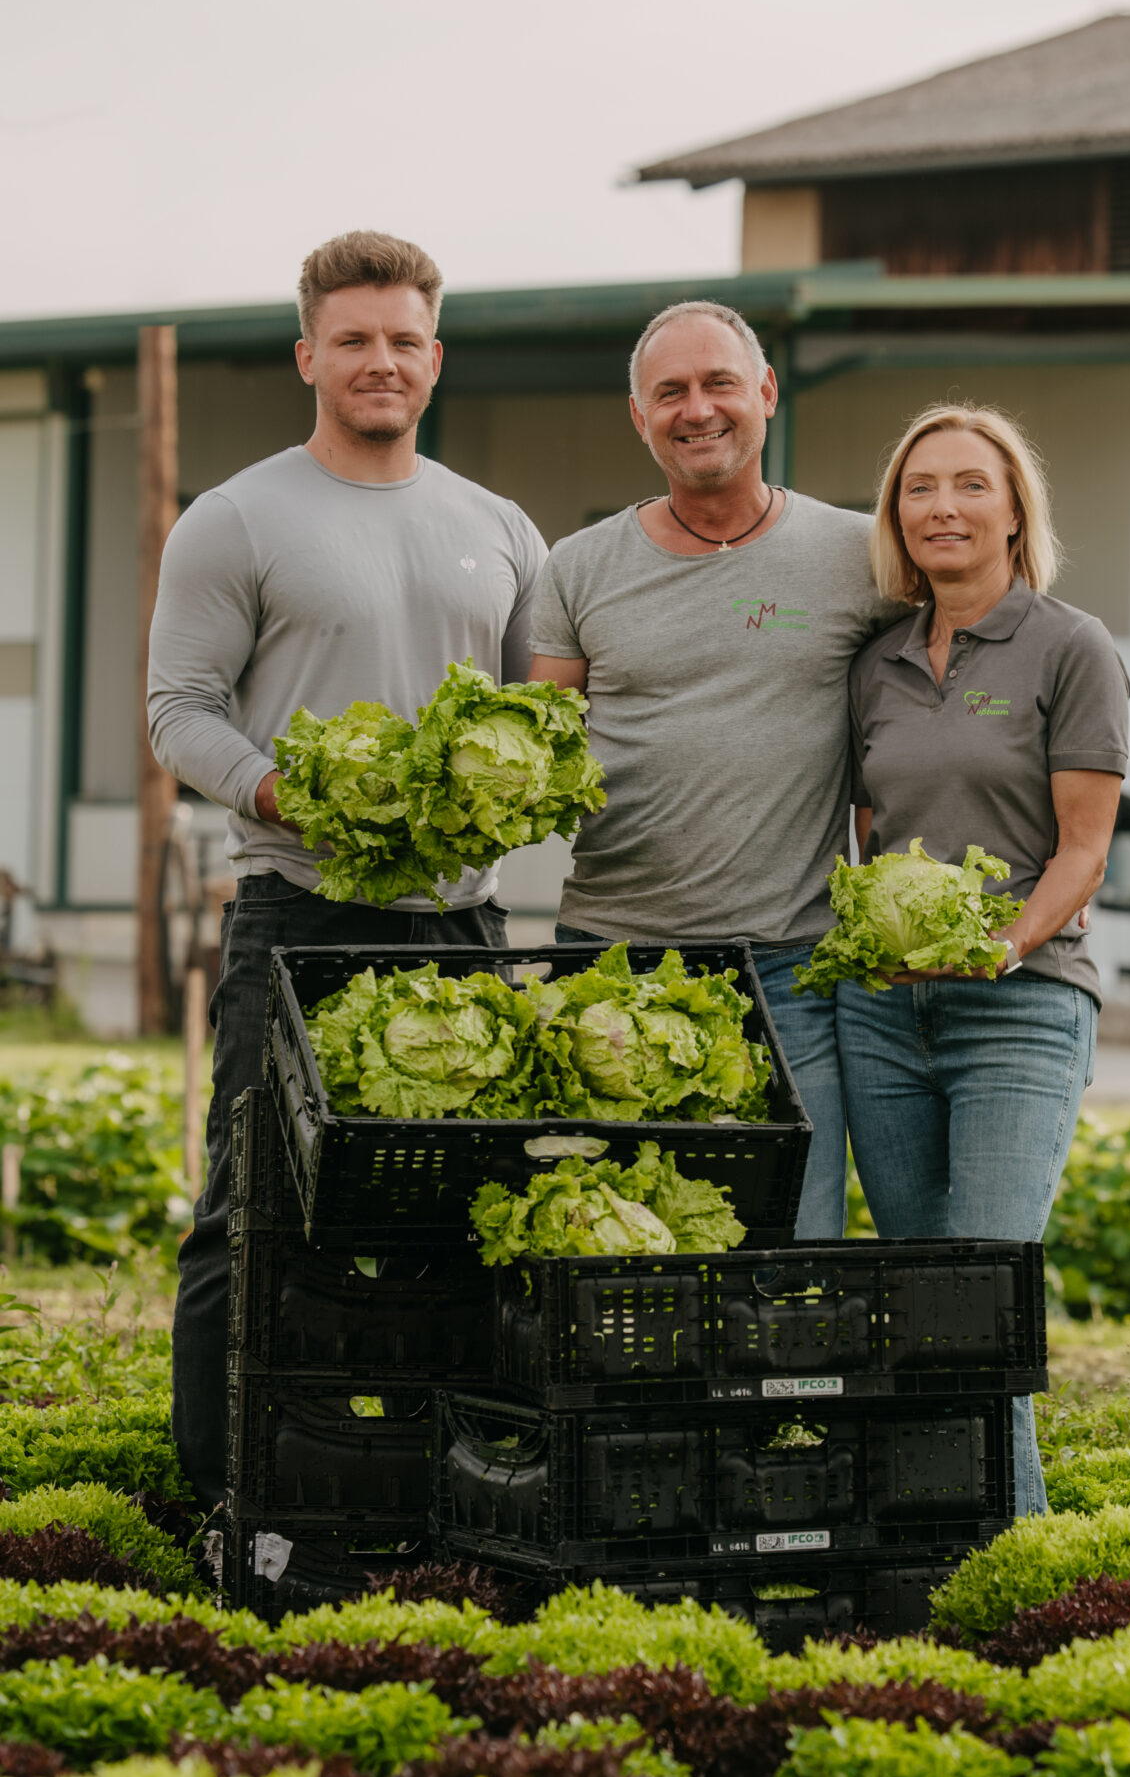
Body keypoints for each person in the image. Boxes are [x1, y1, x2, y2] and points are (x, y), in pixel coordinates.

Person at [147, 229, 547, 1507]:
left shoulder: (499, 526)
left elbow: (544, 720)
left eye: (406, 340)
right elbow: (178, 712)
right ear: (307, 353)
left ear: (438, 359)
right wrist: (289, 789)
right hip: (296, 916)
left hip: (462, 924)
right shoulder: (240, 516)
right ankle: (227, 1497)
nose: (383, 361)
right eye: (357, 339)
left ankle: (443, 1487)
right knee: (250, 1209)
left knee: (464, 1220)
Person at [527, 299, 902, 1238]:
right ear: (639, 415)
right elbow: (540, 749)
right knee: (604, 1243)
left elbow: (943, 707)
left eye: (719, 383)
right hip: (609, 964)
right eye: (670, 392)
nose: (697, 410)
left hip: (789, 969)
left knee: (791, 1241)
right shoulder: (577, 568)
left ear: (765, 393)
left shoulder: (858, 556)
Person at [834, 403, 1130, 1516]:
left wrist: (994, 947)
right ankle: (934, 1539)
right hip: (882, 1016)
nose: (942, 507)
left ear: (1015, 510)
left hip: (1020, 1007)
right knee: (918, 1291)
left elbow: (1083, 852)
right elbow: (867, 834)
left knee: (982, 1290)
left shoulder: (1071, 646)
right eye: (919, 489)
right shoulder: (877, 662)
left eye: (969, 485)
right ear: (896, 518)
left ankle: (1019, 1550)